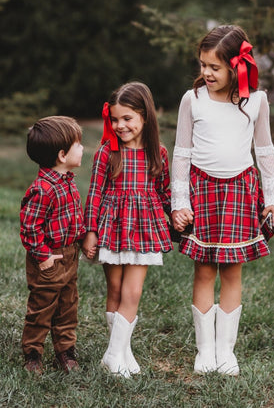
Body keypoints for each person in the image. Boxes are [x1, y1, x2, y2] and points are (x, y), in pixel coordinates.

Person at [171, 25, 274, 376]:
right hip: (202, 192)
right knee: (204, 269)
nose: (206, 72)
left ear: (236, 67)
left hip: (240, 191)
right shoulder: (193, 99)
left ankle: (225, 351)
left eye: (214, 67)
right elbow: (181, 153)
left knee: (232, 271)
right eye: (203, 64)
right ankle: (204, 351)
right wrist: (179, 201)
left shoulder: (256, 100)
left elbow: (264, 150)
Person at [82, 81, 173, 378]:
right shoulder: (108, 152)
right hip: (113, 226)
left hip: (144, 229)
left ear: (145, 116)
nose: (120, 126)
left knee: (132, 293)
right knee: (116, 289)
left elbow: (164, 192)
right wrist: (91, 231)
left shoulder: (157, 153)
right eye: (115, 119)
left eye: (127, 118)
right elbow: (95, 192)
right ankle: (120, 352)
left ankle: (113, 353)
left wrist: (176, 216)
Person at [20, 116, 86, 375]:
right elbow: (29, 227)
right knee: (42, 307)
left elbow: (72, 219)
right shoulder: (43, 189)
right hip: (48, 258)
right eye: (78, 144)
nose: (82, 148)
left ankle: (65, 351)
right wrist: (43, 256)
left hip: (69, 255)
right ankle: (33, 354)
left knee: (68, 306)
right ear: (61, 154)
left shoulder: (67, 181)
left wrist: (82, 239)